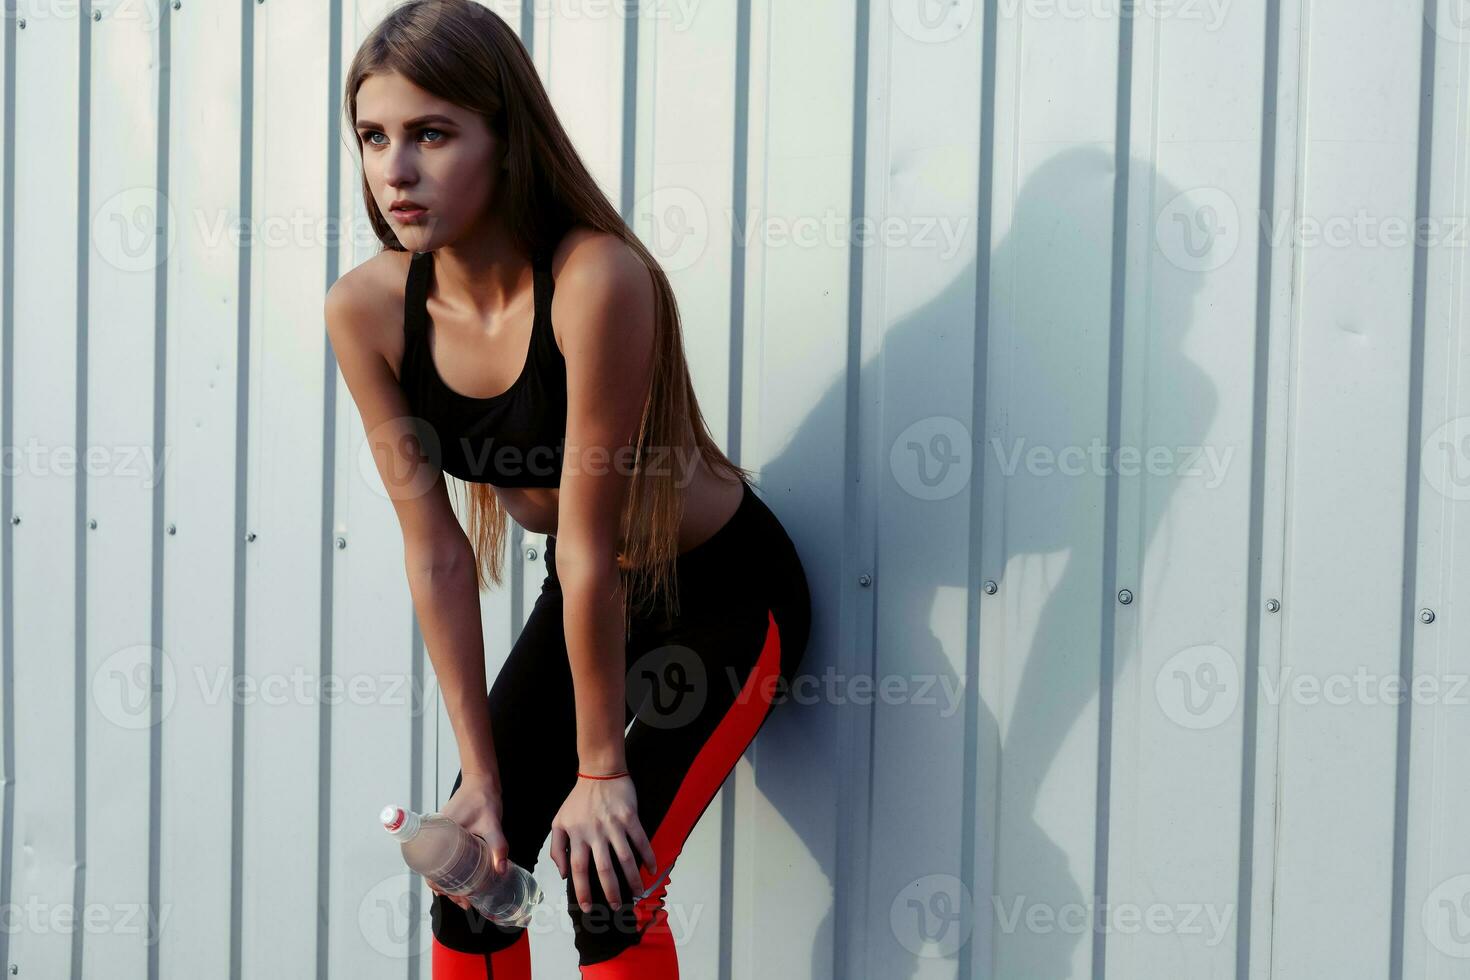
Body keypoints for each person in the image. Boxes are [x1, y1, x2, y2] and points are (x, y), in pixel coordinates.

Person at [325, 2, 812, 977]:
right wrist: (483, 780)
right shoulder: (368, 310)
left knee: (608, 882)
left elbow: (589, 539)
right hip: (589, 595)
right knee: (473, 878)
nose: (396, 169)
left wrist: (601, 770)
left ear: (506, 140)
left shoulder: (595, 279)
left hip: (720, 593)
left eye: (431, 133)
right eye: (374, 136)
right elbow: (437, 549)